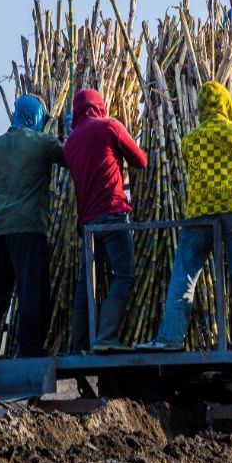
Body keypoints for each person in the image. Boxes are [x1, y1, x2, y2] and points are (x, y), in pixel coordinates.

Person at [138, 80, 232, 351]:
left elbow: (192, 167)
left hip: (200, 211)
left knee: (184, 276)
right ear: (226, 104)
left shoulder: (190, 140)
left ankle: (171, 338)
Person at [0, 95, 65, 357]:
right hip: (28, 230)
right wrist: (71, 132)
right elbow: (69, 157)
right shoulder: (42, 142)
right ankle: (30, 350)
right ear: (38, 117)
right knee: (32, 292)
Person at [64, 89, 147, 353]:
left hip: (87, 223)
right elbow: (141, 161)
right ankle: (106, 337)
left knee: (86, 282)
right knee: (124, 275)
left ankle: (79, 344)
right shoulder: (109, 126)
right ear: (99, 106)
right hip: (112, 214)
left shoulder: (70, 142)